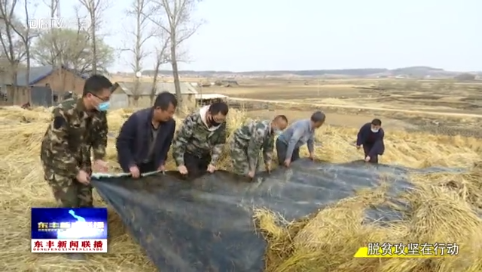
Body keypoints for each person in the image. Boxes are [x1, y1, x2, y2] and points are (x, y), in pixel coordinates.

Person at [39, 75, 112, 260]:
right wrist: (75, 171)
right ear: (89, 96)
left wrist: (99, 158)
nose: (107, 103)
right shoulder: (64, 112)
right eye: (105, 99)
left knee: (86, 200)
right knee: (70, 201)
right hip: (57, 162)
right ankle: (71, 246)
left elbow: (100, 136)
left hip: (81, 158)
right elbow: (57, 147)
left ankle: (86, 238)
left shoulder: (100, 112)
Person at [116, 92, 177, 177]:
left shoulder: (170, 124)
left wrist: (161, 162)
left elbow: (166, 146)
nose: (171, 116)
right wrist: (130, 164)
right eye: (169, 112)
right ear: (158, 108)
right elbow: (122, 143)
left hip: (152, 164)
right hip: (134, 162)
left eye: (173, 112)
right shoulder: (137, 119)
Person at [172, 101, 228, 178]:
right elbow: (180, 140)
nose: (218, 122)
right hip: (190, 155)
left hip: (205, 156)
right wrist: (180, 164)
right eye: (216, 119)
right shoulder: (193, 119)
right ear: (209, 113)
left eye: (221, 120)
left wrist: (213, 163)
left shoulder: (222, 124)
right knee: (193, 180)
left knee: (205, 179)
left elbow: (219, 143)